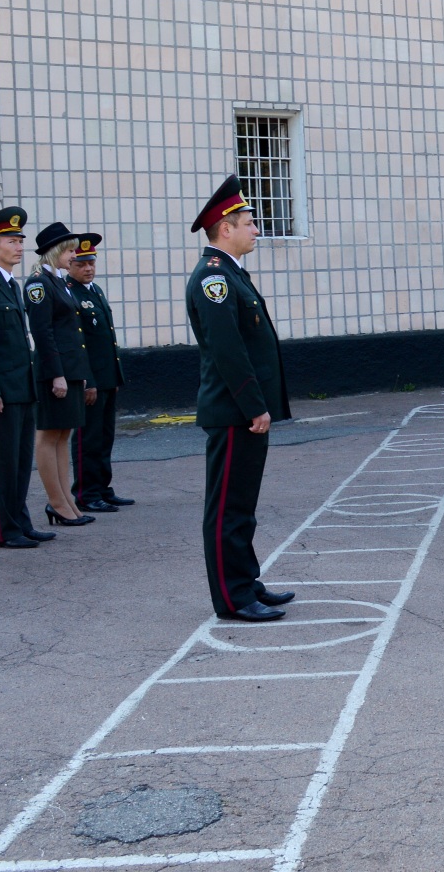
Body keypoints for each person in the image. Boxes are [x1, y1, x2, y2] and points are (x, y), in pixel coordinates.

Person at [187, 175, 292, 621]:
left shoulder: (231, 273)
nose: (255, 230)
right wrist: (255, 406)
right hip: (235, 412)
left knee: (242, 508)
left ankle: (246, 582)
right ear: (224, 227)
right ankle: (233, 598)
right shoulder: (214, 279)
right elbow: (229, 352)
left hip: (244, 411)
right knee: (228, 508)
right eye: (248, 222)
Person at [0, 207, 49, 549]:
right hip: (1, 391)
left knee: (19, 462)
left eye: (20, 241)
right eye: (11, 241)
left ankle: (20, 521)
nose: (19, 246)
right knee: (1, 464)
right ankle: (3, 529)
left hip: (22, 387)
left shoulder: (9, 284)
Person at [26, 223, 93, 528]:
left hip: (70, 369)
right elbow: (43, 332)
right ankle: (56, 502)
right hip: (54, 372)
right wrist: (57, 375)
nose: (73, 255)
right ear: (54, 252)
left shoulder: (58, 282)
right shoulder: (39, 283)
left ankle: (67, 500)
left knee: (63, 435)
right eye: (69, 250)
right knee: (49, 435)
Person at [68, 234, 131, 513]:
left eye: (91, 262)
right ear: (70, 265)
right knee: (87, 438)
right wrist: (88, 382)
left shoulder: (95, 290)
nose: (88, 269)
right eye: (81, 264)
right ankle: (86, 492)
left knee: (105, 436)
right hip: (90, 380)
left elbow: (107, 338)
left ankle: (103, 488)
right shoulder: (69, 293)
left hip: (106, 378)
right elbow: (78, 344)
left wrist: (114, 377)